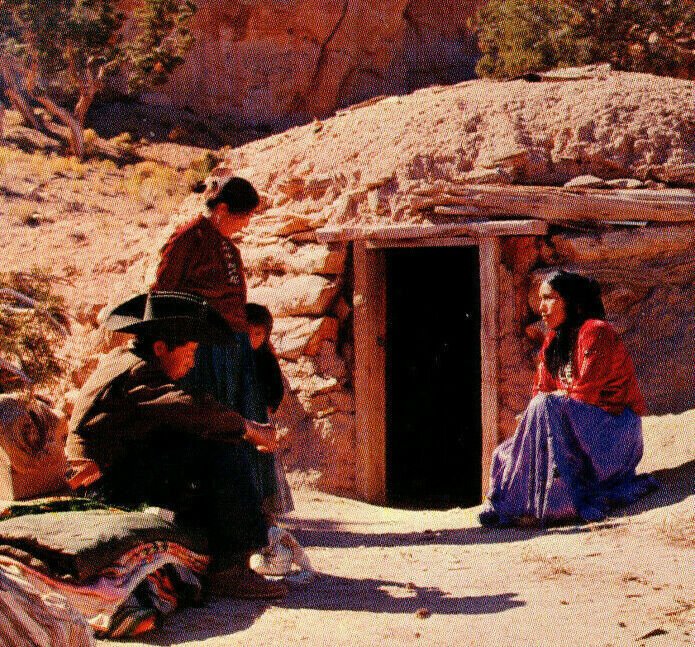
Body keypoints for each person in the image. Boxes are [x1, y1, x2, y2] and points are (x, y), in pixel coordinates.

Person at [65, 291, 287, 599]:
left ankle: (209, 550)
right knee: (221, 452)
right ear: (160, 347)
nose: (192, 361)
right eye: (189, 351)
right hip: (101, 482)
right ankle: (230, 569)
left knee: (206, 439)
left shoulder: (129, 360)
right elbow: (189, 407)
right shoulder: (138, 371)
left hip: (116, 471)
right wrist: (249, 429)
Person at [479, 270, 657, 527]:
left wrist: (549, 404)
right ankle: (510, 506)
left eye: (549, 298)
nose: (541, 307)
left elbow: (586, 394)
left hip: (612, 432)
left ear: (572, 302)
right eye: (541, 299)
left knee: (544, 407)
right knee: (503, 453)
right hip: (575, 430)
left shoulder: (597, 332)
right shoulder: (554, 339)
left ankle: (553, 508)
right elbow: (541, 390)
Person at [150, 176, 283, 515]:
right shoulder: (187, 241)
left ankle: (244, 507)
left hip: (233, 352)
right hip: (203, 351)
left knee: (242, 423)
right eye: (243, 216)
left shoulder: (228, 247)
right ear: (222, 209)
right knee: (210, 421)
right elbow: (162, 294)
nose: (246, 223)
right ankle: (204, 508)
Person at [246, 302, 295, 517]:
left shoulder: (266, 359)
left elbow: (277, 388)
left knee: (265, 464)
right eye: (248, 333)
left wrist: (267, 405)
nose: (252, 339)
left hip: (260, 417)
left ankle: (266, 511)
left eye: (258, 334)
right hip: (244, 416)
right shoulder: (235, 358)